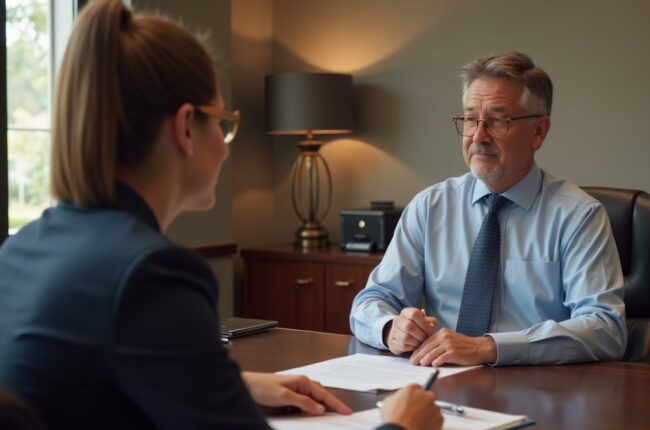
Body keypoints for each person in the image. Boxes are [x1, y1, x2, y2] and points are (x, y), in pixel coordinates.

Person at [0, 1, 442, 430]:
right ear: (186, 127)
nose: (225, 143)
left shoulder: (22, 248)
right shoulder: (150, 274)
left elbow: (89, 385)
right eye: (223, 123)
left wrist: (234, 385)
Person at [350, 52, 627, 367]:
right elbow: (371, 301)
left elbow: (605, 329)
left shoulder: (579, 217)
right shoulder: (430, 207)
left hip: (539, 393)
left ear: (539, 131)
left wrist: (490, 348)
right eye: (470, 119)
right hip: (442, 385)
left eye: (497, 120)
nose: (478, 137)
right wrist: (389, 328)